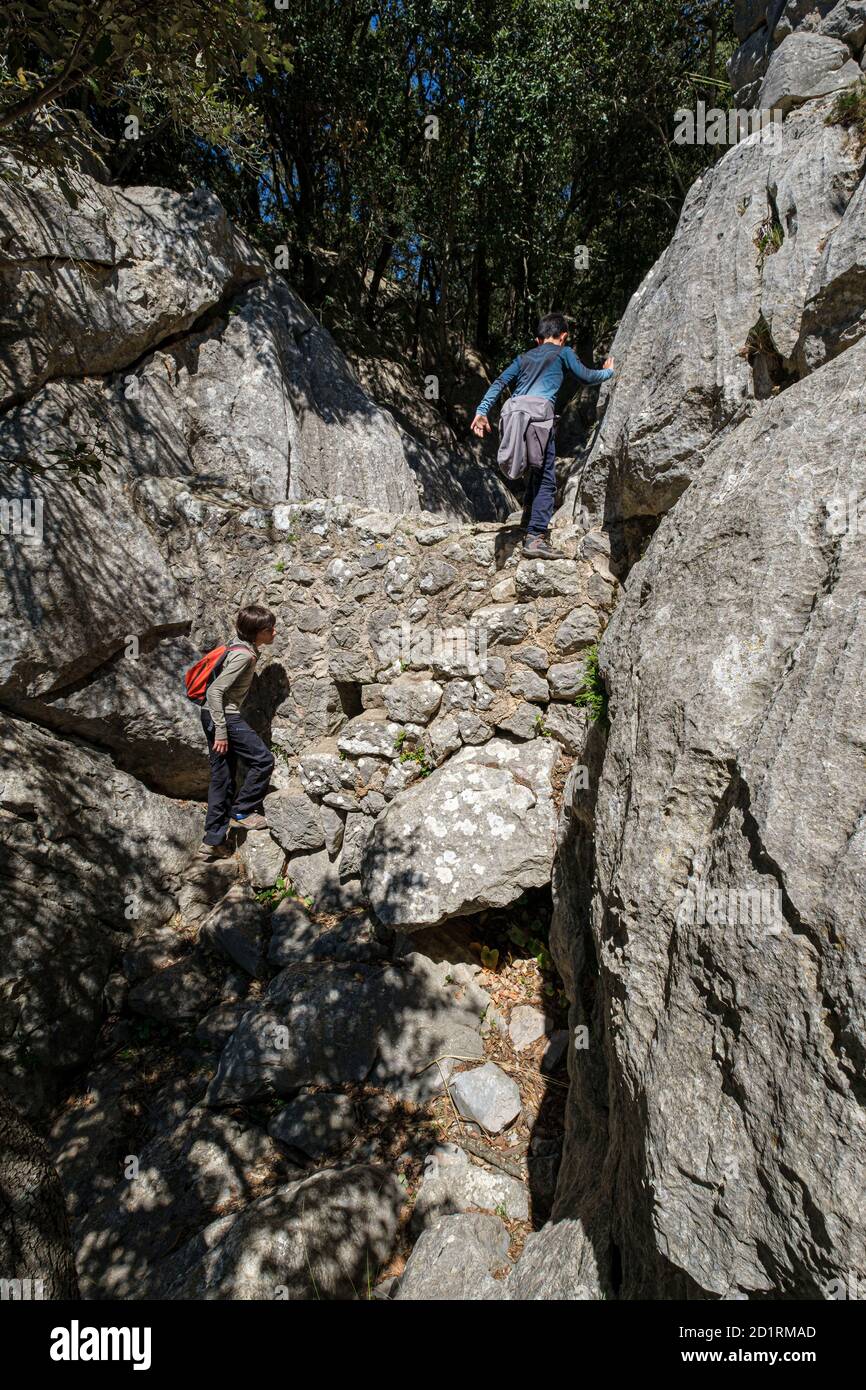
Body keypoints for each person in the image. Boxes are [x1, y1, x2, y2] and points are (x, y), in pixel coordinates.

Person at [471, 312, 614, 558]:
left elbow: (499, 383)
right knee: (547, 476)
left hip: (514, 417)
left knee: (535, 472)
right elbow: (586, 377)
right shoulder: (564, 352)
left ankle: (527, 519)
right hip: (538, 419)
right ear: (564, 336)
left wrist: (482, 411)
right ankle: (536, 538)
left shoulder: (523, 357)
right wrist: (608, 373)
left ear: (538, 339)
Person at [198, 604, 277, 859]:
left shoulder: (238, 644)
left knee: (222, 776)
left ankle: (213, 840)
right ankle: (242, 811)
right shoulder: (244, 655)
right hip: (224, 718)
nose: (274, 632)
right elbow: (215, 691)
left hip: (209, 714)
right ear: (256, 633)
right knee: (263, 760)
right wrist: (221, 731)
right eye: (269, 629)